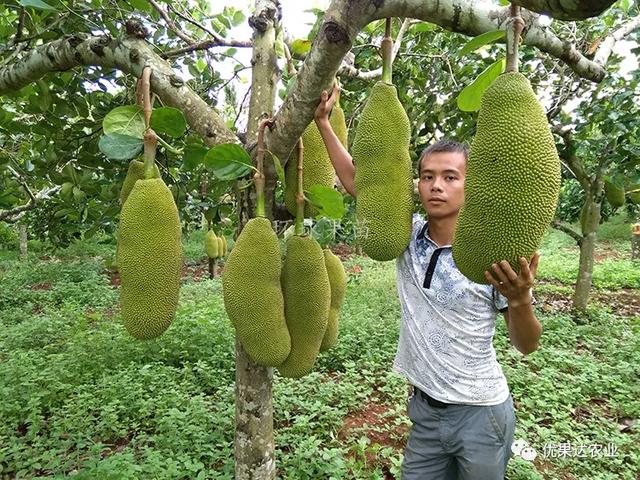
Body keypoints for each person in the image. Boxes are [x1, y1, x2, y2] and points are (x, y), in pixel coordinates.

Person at [313, 83, 542, 480]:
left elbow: (526, 345)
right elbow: (360, 183)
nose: (437, 186)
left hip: (481, 412)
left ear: (472, 186)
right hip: (426, 413)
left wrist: (521, 300)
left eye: (451, 177)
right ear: (416, 184)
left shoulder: (489, 256)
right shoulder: (407, 236)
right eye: (427, 177)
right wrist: (323, 124)